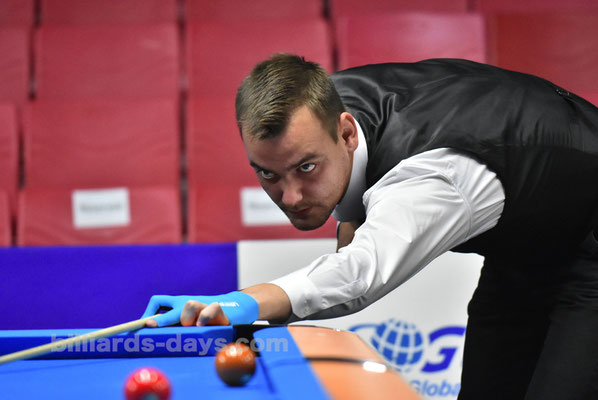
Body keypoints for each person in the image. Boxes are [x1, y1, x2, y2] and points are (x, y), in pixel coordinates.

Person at [143, 54, 598, 399]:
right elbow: (350, 216)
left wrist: (242, 301)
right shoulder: (318, 105)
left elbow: (360, 272)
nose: (291, 196)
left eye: (306, 168)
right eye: (268, 174)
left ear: (346, 134)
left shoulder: (432, 174)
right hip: (525, 246)